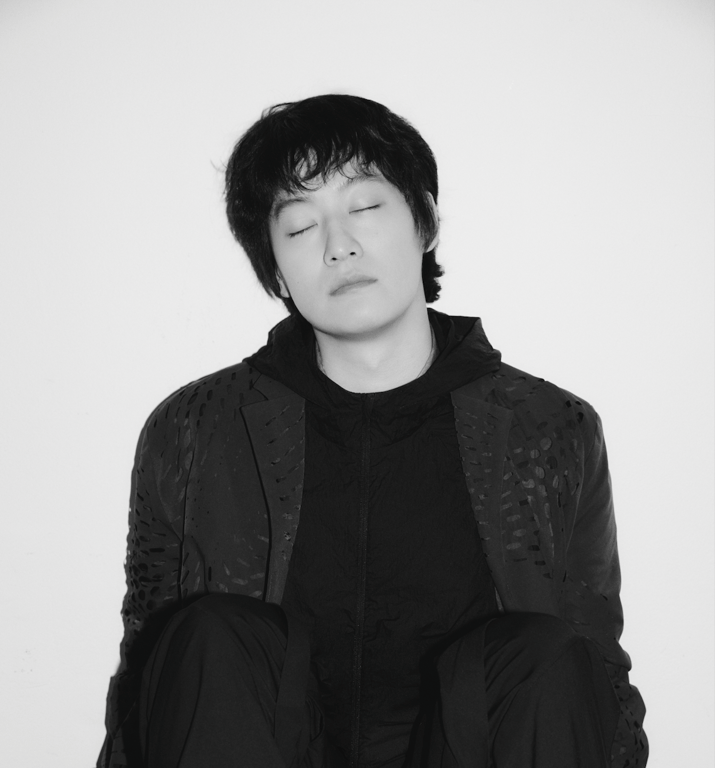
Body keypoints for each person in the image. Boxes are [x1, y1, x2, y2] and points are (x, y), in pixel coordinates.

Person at [98, 94, 647, 768]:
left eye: (363, 207)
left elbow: (594, 673)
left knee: (546, 653)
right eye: (300, 226)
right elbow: (149, 677)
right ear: (274, 270)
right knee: (209, 635)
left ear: (425, 222)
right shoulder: (195, 427)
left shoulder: (548, 428)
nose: (340, 246)